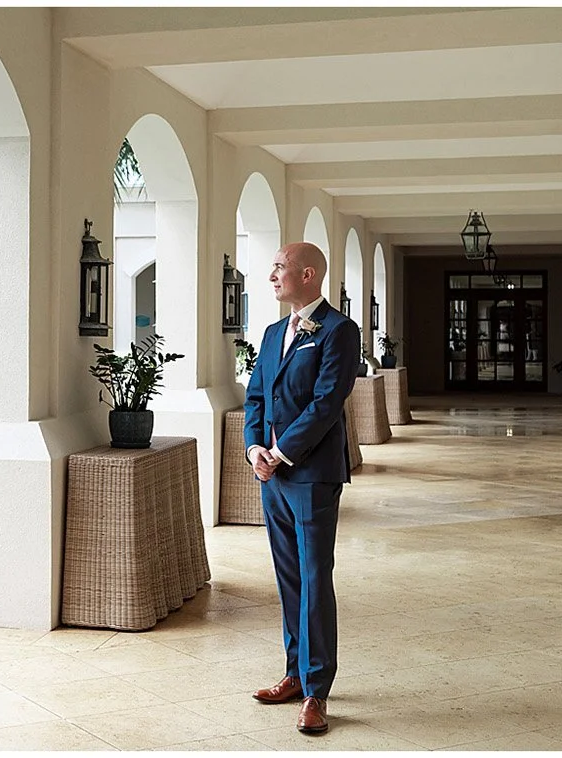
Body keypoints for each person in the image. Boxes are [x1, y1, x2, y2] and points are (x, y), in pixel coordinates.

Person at [242, 241, 358, 735]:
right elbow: (255, 398)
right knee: (289, 581)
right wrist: (254, 450)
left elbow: (327, 401)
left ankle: (316, 691)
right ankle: (293, 673)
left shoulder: (338, 330)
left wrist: (283, 452)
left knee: (314, 580)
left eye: (279, 268)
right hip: (271, 476)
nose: (271, 276)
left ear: (307, 274)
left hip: (311, 475)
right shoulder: (271, 333)